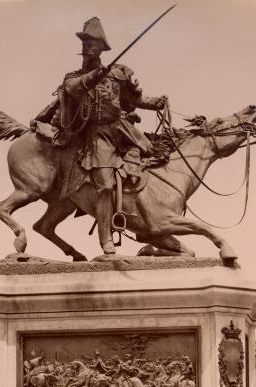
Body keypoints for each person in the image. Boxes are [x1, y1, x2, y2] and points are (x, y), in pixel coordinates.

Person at [48, 18, 166, 255]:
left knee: (157, 163)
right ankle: (106, 239)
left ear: (102, 47)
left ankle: (149, 224)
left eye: (92, 43)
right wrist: (95, 75)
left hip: (123, 131)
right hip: (97, 135)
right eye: (85, 42)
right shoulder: (74, 75)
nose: (87, 47)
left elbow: (133, 100)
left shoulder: (117, 74)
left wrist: (156, 103)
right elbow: (74, 88)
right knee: (106, 185)